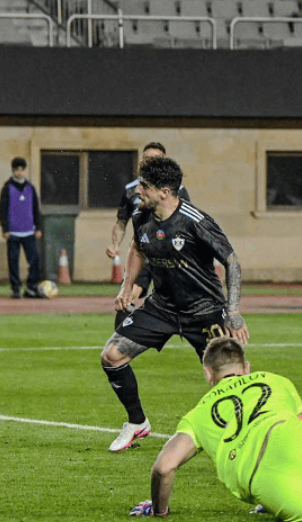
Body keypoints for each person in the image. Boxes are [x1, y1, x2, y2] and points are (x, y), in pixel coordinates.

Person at [101, 155, 249, 453]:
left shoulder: (196, 221)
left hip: (205, 310)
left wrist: (232, 311)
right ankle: (137, 422)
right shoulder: (141, 216)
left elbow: (232, 262)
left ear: (164, 192)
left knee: (230, 379)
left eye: (144, 186)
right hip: (162, 308)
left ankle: (246, 436)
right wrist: (127, 287)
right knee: (112, 356)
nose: (137, 191)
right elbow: (137, 249)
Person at [129, 337, 302, 520]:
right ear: (247, 367)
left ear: (208, 373)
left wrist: (158, 510)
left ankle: (276, 499)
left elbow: (163, 468)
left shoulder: (199, 413)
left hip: (270, 479)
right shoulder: (277, 380)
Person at [108, 143, 191, 328]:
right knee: (130, 293)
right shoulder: (132, 190)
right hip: (144, 250)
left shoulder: (177, 189)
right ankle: (123, 337)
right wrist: (115, 244)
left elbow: (186, 222)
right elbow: (121, 222)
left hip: (171, 253)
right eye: (147, 159)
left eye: (156, 159)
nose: (150, 163)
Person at [0, 157, 44, 299]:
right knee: (13, 261)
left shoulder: (30, 188)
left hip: (29, 231)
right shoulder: (7, 188)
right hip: (13, 232)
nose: (19, 172)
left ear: (25, 170)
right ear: (13, 171)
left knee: (34, 260)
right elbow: (2, 209)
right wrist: (5, 228)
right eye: (17, 170)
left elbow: (36, 209)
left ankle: (31, 288)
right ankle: (16, 288)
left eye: (22, 170)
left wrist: (38, 227)